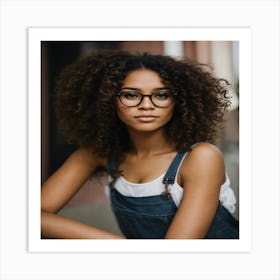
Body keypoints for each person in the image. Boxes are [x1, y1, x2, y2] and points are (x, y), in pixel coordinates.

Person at [41, 50, 239, 239]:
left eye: (161, 95)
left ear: (178, 102)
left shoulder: (201, 157)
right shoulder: (98, 153)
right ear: (108, 100)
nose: (146, 105)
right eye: (131, 95)